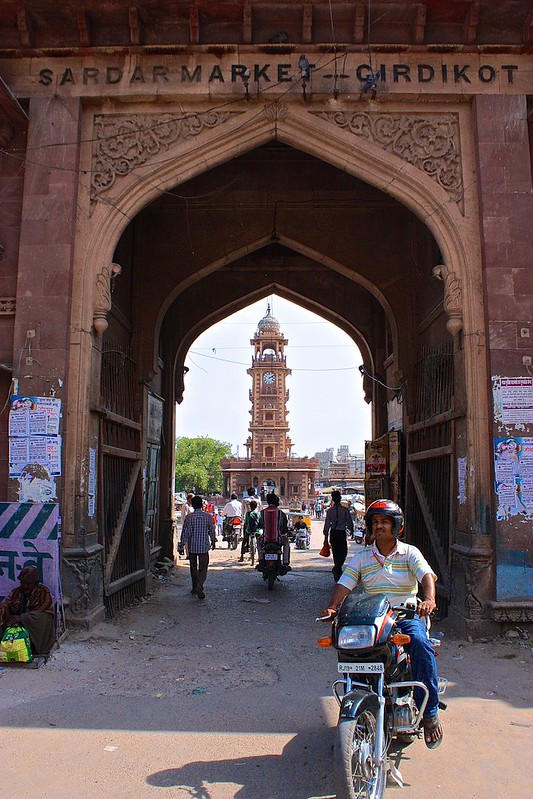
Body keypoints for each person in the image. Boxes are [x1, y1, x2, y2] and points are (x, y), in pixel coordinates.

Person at [319, 499, 443, 749]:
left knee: (420, 643)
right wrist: (333, 607)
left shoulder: (410, 553)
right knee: (350, 647)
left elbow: (426, 576)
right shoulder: (363, 556)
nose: (379, 526)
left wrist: (428, 599)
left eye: (385, 522)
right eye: (375, 522)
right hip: (373, 619)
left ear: (396, 526)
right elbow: (346, 583)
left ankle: (429, 714)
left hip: (404, 618)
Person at [0, 566, 55, 656]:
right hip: (15, 630)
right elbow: (5, 606)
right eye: (23, 583)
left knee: (43, 617)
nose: (25, 586)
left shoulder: (43, 592)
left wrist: (21, 618)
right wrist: (10, 610)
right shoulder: (15, 592)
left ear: (36, 583)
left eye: (29, 584)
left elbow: (44, 612)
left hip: (33, 632)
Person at [179, 495, 216, 600]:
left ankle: (195, 586)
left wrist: (181, 545)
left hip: (192, 547)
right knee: (203, 567)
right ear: (202, 505)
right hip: (204, 546)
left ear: (192, 505)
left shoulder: (189, 517)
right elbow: (211, 531)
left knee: (193, 567)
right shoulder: (207, 517)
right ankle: (200, 583)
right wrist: (213, 541)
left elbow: (185, 533)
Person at [322, 489, 354, 580]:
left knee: (336, 552)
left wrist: (325, 536)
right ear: (339, 498)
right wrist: (352, 531)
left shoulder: (330, 511)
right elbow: (349, 522)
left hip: (334, 533)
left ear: (333, 499)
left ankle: (337, 568)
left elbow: (327, 525)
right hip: (340, 533)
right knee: (343, 552)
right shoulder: (345, 510)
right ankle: (337, 568)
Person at [257, 493, 290, 569]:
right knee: (286, 544)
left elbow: (259, 525)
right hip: (277, 539)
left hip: (265, 539)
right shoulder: (281, 513)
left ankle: (261, 560)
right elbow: (284, 528)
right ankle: (285, 562)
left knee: (258, 543)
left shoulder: (262, 513)